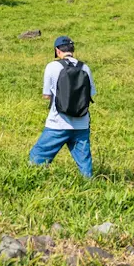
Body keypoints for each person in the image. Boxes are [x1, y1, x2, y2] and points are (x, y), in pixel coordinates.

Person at [28, 35, 96, 177]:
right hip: (81, 124)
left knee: (36, 157)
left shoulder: (52, 66)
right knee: (85, 165)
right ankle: (91, 188)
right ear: (73, 50)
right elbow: (91, 93)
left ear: (57, 51)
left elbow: (46, 95)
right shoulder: (85, 67)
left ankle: (34, 183)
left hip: (57, 123)